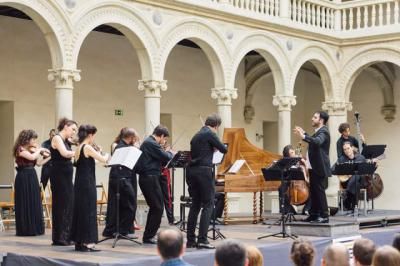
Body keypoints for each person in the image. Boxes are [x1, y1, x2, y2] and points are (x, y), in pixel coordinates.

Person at [186, 113, 227, 249]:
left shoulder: (196, 135)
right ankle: (202, 239)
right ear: (216, 126)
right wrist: (215, 146)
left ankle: (190, 240)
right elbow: (224, 149)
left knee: (195, 205)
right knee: (208, 204)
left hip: (192, 171)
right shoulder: (210, 133)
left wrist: (211, 147)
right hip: (204, 171)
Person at [71, 124, 109, 252]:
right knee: (88, 212)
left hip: (80, 183)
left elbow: (91, 161)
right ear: (90, 135)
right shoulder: (87, 147)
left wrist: (97, 154)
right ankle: (87, 243)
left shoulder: (79, 147)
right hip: (87, 183)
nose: (94, 138)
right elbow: (103, 159)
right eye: (94, 135)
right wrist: (106, 154)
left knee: (81, 212)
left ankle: (79, 242)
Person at [138, 125, 173, 244]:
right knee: (158, 207)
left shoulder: (150, 143)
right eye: (164, 139)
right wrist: (168, 152)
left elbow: (160, 159)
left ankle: (149, 235)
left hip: (150, 178)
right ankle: (148, 236)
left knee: (156, 207)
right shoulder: (151, 143)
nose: (164, 141)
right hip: (149, 178)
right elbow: (166, 157)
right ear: (161, 136)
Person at [294, 111, 331, 223]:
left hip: (319, 167)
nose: (312, 119)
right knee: (314, 191)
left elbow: (317, 142)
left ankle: (324, 215)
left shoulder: (324, 132)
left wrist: (304, 136)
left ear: (321, 120)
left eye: (315, 117)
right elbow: (313, 139)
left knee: (319, 191)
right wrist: (304, 133)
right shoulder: (318, 132)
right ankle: (314, 214)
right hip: (313, 167)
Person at [103, 127, 139, 238]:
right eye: (135, 137)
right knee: (130, 204)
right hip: (121, 178)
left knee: (125, 204)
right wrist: (136, 149)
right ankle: (122, 230)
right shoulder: (122, 147)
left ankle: (120, 230)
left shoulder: (126, 146)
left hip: (121, 177)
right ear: (131, 137)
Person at [13, 129, 50, 236]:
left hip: (32, 176)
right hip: (23, 177)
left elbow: (38, 163)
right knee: (25, 201)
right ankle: (26, 229)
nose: (34, 141)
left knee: (34, 200)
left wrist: (51, 156)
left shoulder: (31, 150)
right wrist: (41, 149)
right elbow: (32, 157)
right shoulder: (20, 149)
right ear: (26, 139)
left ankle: (35, 228)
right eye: (33, 139)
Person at [50, 118, 77, 245]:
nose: (74, 132)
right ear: (66, 126)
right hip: (59, 176)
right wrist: (80, 151)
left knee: (69, 204)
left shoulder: (66, 140)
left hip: (66, 177)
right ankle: (60, 238)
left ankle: (67, 235)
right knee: (61, 205)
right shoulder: (57, 138)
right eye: (73, 129)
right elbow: (65, 153)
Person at [332, 142, 367, 211]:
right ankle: (353, 206)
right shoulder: (341, 159)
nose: (347, 151)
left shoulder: (361, 158)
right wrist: (344, 172)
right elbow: (332, 170)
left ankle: (346, 198)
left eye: (348, 148)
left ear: (352, 148)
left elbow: (365, 170)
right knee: (355, 181)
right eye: (344, 149)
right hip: (346, 182)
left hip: (360, 182)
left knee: (356, 176)